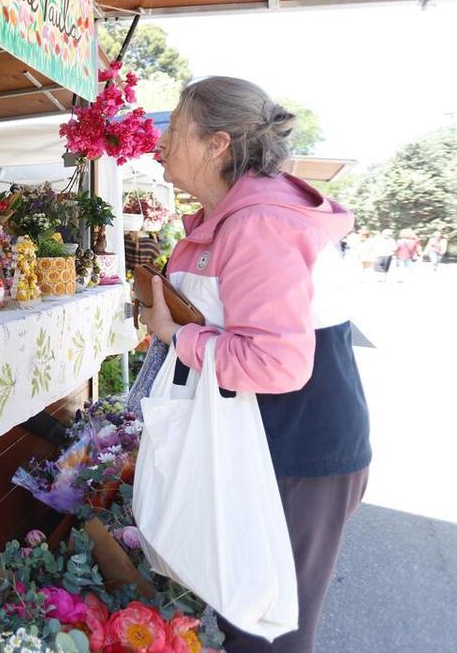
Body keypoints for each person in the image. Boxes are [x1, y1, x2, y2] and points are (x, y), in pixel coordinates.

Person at [133, 76, 370, 653]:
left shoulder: (260, 221)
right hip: (261, 443)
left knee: (266, 630)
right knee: (245, 617)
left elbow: (275, 362)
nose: (158, 145)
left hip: (296, 453)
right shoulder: (236, 214)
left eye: (174, 130)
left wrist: (176, 334)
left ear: (218, 144)